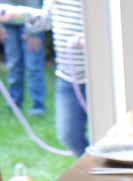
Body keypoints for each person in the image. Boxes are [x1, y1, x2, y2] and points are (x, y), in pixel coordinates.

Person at [0, 0, 86, 155]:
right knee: (70, 136)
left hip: (97, 76)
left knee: (106, 135)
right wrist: (16, 13)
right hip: (68, 77)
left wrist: (91, 39)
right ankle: (95, 168)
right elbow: (47, 19)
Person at [0, 0, 46, 116]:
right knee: (14, 65)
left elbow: (34, 5)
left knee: (33, 67)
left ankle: (38, 107)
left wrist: (32, 32)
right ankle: (15, 104)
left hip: (31, 22)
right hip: (9, 24)